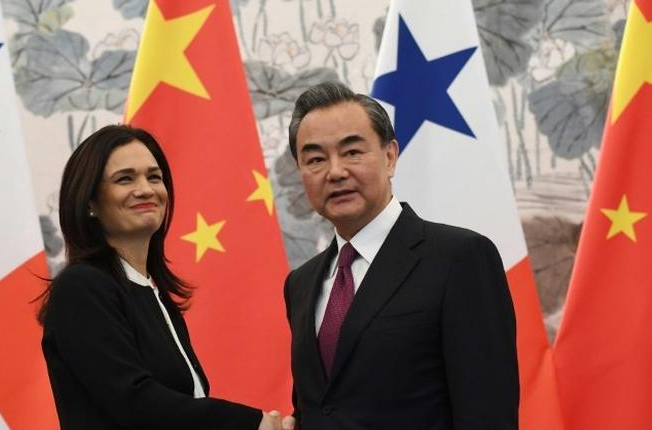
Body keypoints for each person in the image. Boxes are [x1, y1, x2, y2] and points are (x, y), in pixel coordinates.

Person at [283, 82, 519, 429]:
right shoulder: (300, 284)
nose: (335, 172)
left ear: (390, 156)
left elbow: (487, 414)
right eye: (316, 159)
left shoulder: (459, 259)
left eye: (352, 152)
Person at [39, 125, 293, 429]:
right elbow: (134, 402)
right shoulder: (81, 287)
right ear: (90, 202)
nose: (146, 189)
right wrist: (252, 424)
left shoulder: (155, 294)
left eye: (154, 177)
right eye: (125, 179)